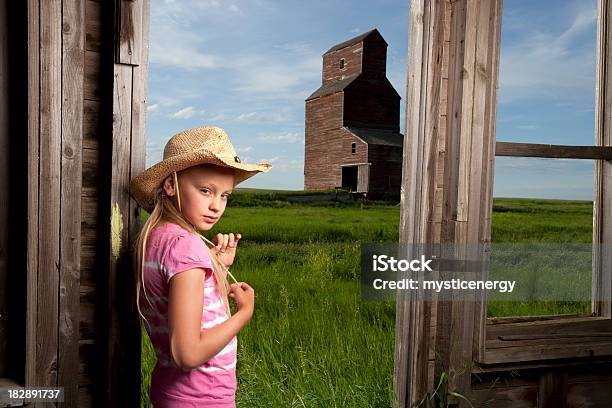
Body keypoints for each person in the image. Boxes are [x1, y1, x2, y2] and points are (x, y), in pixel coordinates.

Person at [129, 126, 272, 407]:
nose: (216, 206)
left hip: (173, 393)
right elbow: (188, 354)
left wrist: (216, 266)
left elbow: (182, 300)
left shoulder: (158, 236)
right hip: (202, 398)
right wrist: (244, 313)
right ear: (170, 185)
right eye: (206, 190)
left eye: (225, 195)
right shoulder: (187, 246)